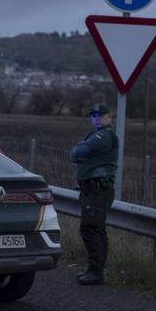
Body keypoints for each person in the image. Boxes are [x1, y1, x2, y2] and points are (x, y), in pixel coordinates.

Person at [70, 102, 119, 285]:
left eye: (100, 115)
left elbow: (80, 151)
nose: (96, 118)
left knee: (90, 228)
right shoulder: (95, 135)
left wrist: (81, 153)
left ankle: (96, 272)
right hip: (93, 189)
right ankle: (94, 270)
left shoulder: (104, 136)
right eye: (93, 115)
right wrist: (80, 153)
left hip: (98, 189)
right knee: (96, 229)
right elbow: (75, 154)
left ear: (108, 117)